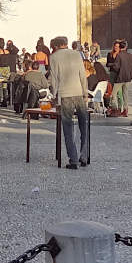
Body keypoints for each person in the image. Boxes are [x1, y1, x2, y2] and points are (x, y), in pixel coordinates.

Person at [49, 36, 90, 169]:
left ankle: (73, 160)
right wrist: (85, 93)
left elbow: (54, 78)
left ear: (56, 46)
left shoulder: (54, 57)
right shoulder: (76, 54)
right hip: (78, 92)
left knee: (68, 128)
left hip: (65, 94)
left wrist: (54, 95)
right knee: (84, 126)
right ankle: (84, 156)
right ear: (66, 44)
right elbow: (82, 75)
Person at [112, 40, 132, 116]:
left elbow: (116, 67)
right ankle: (125, 110)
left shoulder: (119, 55)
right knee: (125, 94)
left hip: (120, 78)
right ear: (126, 47)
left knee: (113, 94)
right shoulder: (130, 55)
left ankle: (116, 109)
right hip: (128, 78)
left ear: (120, 47)